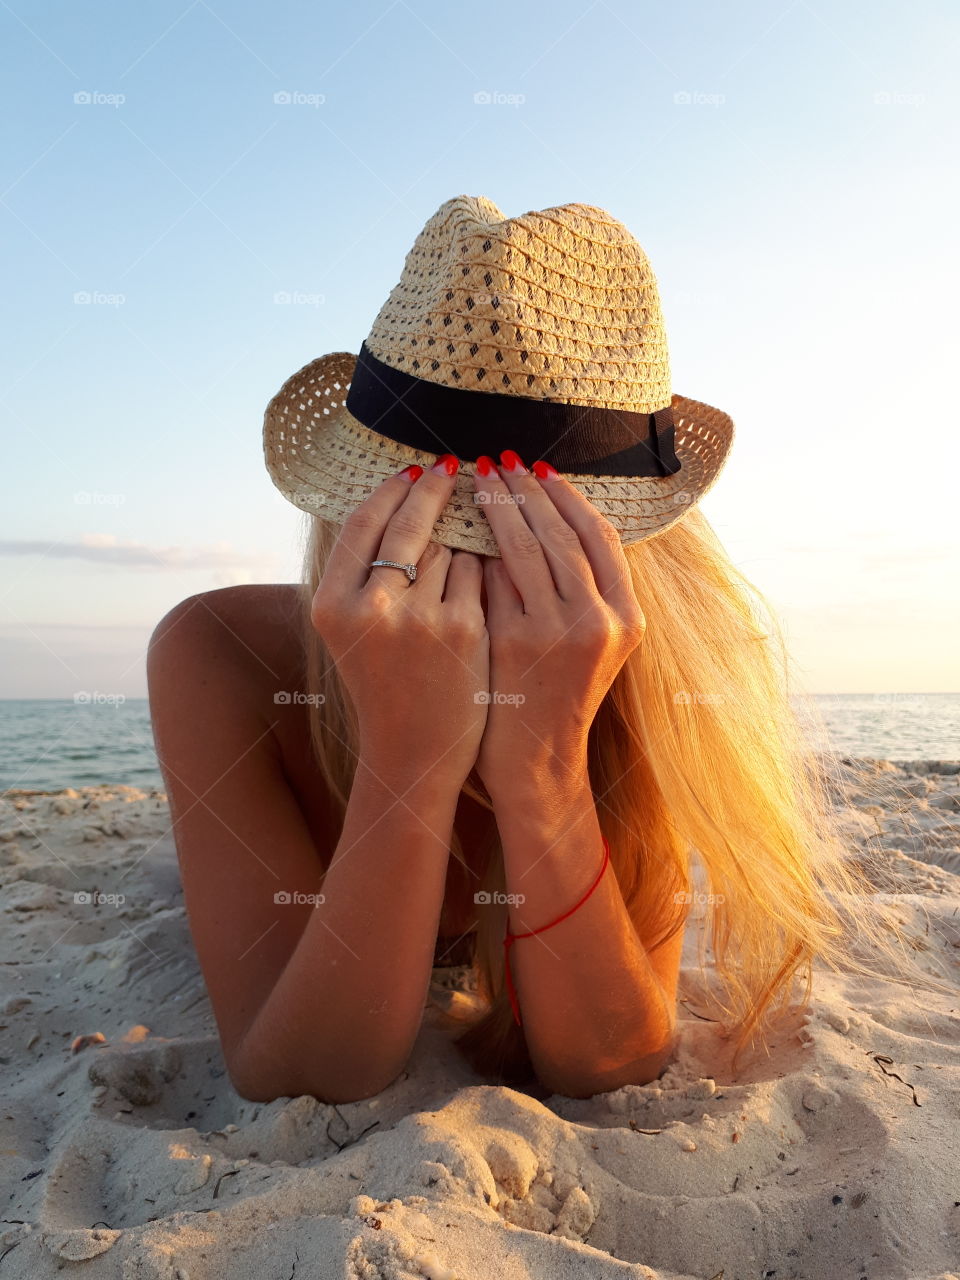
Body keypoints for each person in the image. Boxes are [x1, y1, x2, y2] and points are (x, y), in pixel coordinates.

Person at [147, 195, 944, 1105]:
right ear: (364, 521)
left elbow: (607, 1064)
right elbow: (300, 1074)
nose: (482, 578)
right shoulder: (222, 657)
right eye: (450, 533)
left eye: (534, 547)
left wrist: (544, 770)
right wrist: (409, 759)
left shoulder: (643, 666)